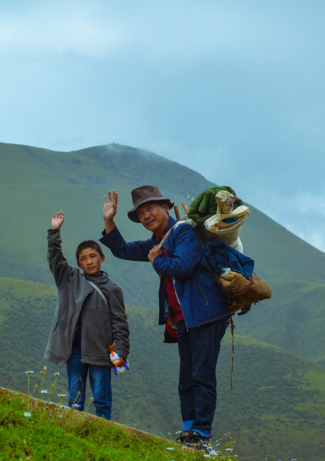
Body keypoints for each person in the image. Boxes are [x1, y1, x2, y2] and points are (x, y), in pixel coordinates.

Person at [99, 186, 230, 448]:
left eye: (150, 208)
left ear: (165, 207)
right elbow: (123, 249)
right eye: (141, 212)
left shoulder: (184, 232)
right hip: (184, 320)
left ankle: (201, 434)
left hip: (206, 315)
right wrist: (109, 220)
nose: (146, 215)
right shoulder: (157, 242)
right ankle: (188, 431)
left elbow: (184, 266)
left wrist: (157, 261)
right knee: (186, 379)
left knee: (202, 376)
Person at [43, 211, 130, 421]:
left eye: (93, 256)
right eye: (83, 259)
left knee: (101, 399)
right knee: (75, 399)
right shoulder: (68, 279)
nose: (89, 261)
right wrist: (55, 231)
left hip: (101, 351)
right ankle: (74, 432)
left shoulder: (112, 289)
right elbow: (54, 259)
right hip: (73, 351)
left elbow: (120, 323)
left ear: (102, 258)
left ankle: (104, 436)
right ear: (78, 264)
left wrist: (122, 352)